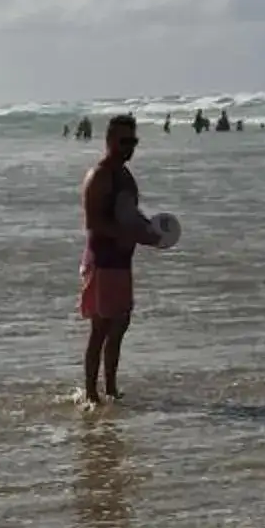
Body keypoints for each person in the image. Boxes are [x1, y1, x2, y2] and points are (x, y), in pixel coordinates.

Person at [77, 113, 161, 405]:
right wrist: (125, 235)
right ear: (109, 140)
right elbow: (93, 223)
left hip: (122, 262)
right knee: (100, 329)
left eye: (133, 141)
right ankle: (90, 393)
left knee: (120, 326)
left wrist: (151, 231)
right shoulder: (99, 176)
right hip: (102, 261)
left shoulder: (125, 176)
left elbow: (130, 216)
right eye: (124, 141)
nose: (129, 147)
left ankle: (110, 388)